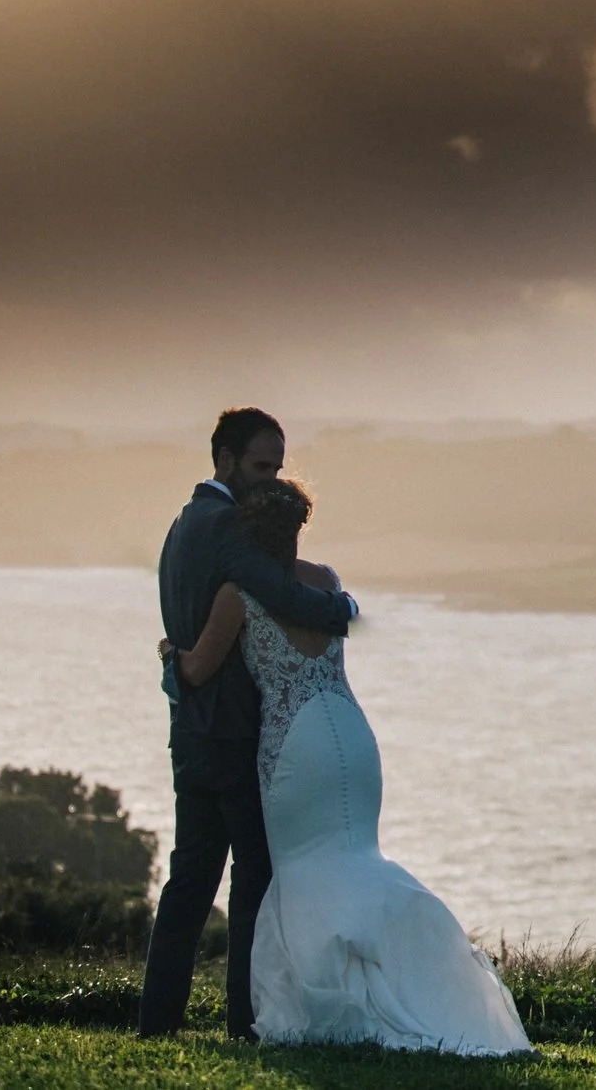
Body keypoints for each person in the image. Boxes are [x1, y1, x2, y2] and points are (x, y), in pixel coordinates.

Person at [169, 479, 531, 1054]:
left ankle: (323, 997)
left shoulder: (237, 594)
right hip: (351, 734)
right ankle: (411, 968)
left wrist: (170, 651)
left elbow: (197, 670)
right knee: (358, 858)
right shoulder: (327, 582)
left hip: (294, 745)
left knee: (303, 870)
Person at [139, 408, 357, 1039]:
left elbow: (185, 629)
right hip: (236, 732)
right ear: (225, 460)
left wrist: (176, 671)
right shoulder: (228, 524)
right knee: (253, 881)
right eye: (261, 467)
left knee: (189, 881)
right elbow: (281, 593)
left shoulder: (182, 523)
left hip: (191, 730)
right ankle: (244, 1022)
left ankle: (157, 1025)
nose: (269, 483)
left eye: (277, 470)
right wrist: (344, 606)